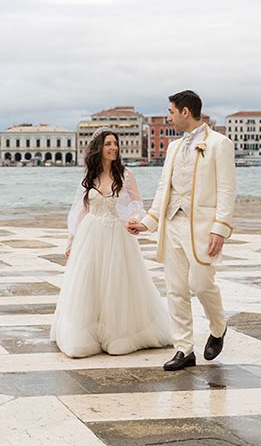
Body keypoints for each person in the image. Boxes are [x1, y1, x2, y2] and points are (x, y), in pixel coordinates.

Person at [127, 90, 236, 371]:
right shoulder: (174, 147)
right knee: (175, 290)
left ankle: (218, 326)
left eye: (171, 111)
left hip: (201, 228)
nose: (169, 116)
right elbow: (165, 189)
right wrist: (148, 222)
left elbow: (226, 190)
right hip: (172, 225)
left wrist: (220, 229)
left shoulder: (219, 144)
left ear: (185, 112)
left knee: (201, 284)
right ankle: (184, 349)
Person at [50, 129, 171, 357]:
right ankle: (87, 333)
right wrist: (71, 240)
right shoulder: (90, 176)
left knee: (117, 283)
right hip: (91, 235)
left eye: (115, 143)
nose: (113, 147)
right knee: (89, 283)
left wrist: (136, 218)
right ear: (99, 148)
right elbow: (81, 210)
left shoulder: (126, 175)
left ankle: (119, 334)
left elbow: (137, 203)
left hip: (117, 235)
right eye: (108, 144)